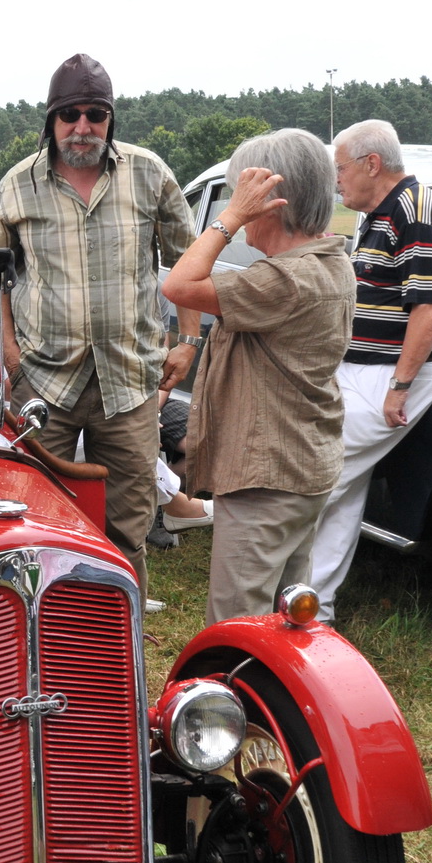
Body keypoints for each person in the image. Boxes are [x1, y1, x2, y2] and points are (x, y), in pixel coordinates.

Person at [0, 52, 199, 598]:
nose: (83, 127)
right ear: (51, 119)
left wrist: (188, 340)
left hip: (129, 382)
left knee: (128, 528)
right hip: (44, 383)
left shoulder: (149, 174)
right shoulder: (16, 187)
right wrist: (8, 353)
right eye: (70, 114)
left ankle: (118, 653)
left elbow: (189, 260)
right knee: (37, 524)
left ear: (110, 119)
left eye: (96, 114)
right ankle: (47, 643)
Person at [163, 129, 355, 623]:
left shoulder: (285, 280)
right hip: (302, 467)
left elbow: (179, 285)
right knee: (286, 618)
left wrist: (229, 219)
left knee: (238, 624)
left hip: (266, 481)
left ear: (269, 203)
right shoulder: (330, 261)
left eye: (243, 197)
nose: (238, 209)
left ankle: (234, 698)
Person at [309, 118, 432, 620]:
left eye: (341, 168)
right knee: (344, 488)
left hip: (394, 373)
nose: (337, 180)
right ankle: (315, 607)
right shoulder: (381, 213)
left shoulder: (416, 209)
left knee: (318, 477)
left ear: (371, 164)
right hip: (368, 368)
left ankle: (279, 591)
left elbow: (430, 307)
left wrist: (398, 386)